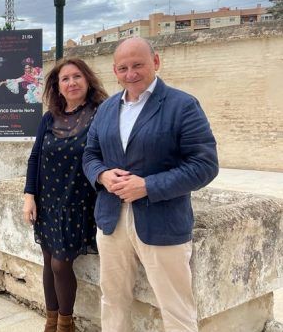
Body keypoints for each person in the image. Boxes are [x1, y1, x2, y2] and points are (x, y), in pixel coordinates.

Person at [82, 37, 219, 332]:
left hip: (163, 221)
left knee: (176, 308)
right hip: (111, 220)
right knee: (112, 300)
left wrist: (148, 186)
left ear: (155, 62)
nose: (130, 74)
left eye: (138, 65)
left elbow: (205, 165)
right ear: (114, 71)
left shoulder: (182, 105)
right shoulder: (106, 109)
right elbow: (90, 155)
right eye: (123, 68)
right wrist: (102, 175)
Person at [22, 58, 108, 332]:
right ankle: (51, 320)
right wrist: (29, 195)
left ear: (88, 80)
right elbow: (35, 157)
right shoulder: (49, 117)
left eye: (76, 77)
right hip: (48, 200)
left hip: (79, 200)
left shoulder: (100, 113)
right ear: (57, 87)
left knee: (60, 263)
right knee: (48, 260)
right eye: (65, 79)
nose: (71, 83)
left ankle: (66, 323)